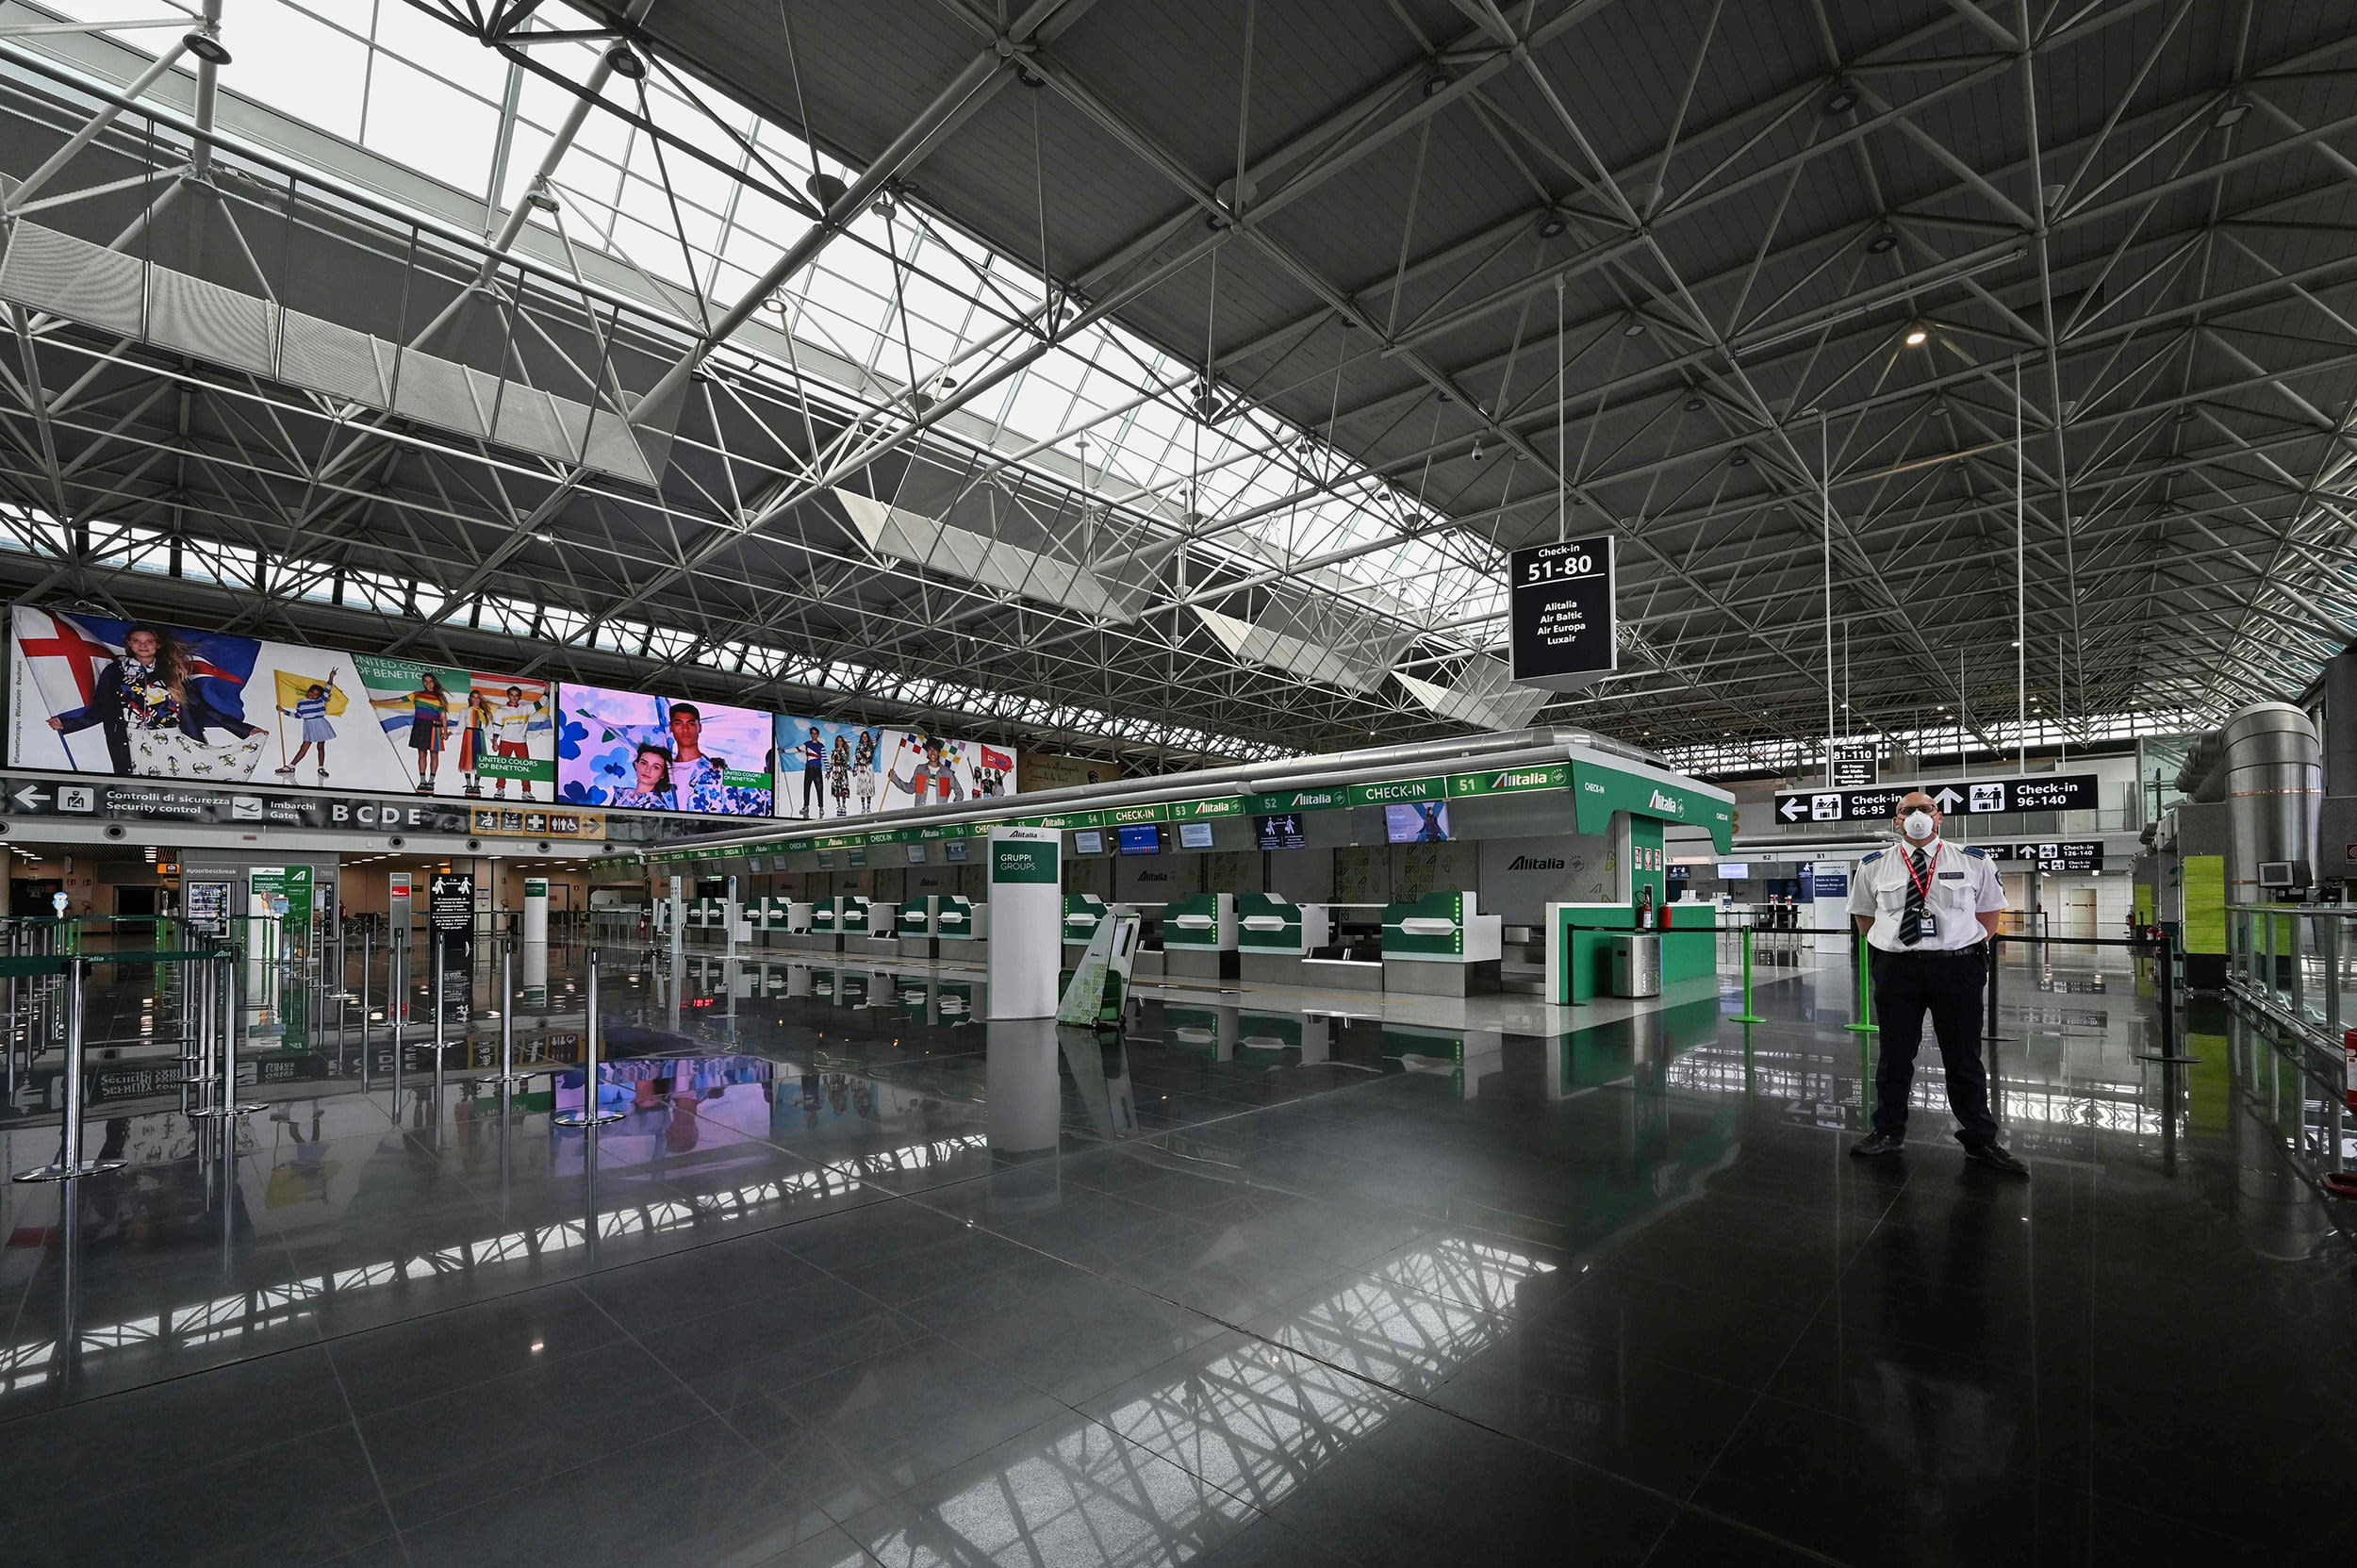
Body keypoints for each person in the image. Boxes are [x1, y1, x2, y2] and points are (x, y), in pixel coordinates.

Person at [1847, 791, 2029, 1176]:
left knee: (1964, 1057)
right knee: (1894, 1056)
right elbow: (1865, 917)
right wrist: (1891, 949)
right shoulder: (1873, 865)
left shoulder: (1972, 860)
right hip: (1897, 969)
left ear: (1939, 816)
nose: (1916, 816)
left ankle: (1980, 1138)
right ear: (1897, 821)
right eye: (1906, 811)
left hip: (1956, 968)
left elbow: (1990, 916)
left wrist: (1960, 948)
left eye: (1924, 809)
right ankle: (1888, 1131)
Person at [49, 623, 260, 776]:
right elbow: (102, 709)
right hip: (129, 738)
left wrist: (245, 730)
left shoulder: (172, 673)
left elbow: (203, 708)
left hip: (172, 737)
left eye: (149, 642)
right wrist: (67, 723)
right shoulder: (115, 672)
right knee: (136, 789)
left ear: (157, 645)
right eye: (137, 642)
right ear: (129, 644)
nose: (143, 646)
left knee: (189, 780)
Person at [664, 702, 761, 815]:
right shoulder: (661, 773)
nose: (685, 729)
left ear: (699, 727)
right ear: (671, 727)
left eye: (691, 724)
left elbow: (733, 813)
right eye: (678, 723)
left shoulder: (718, 770)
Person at [275, 681, 338, 784]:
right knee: (304, 747)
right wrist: (284, 711)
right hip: (309, 725)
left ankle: (321, 768)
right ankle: (291, 766)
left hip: (320, 724)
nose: (312, 695)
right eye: (311, 692)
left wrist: (330, 679)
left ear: (319, 696)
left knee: (321, 746)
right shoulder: (300, 703)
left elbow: (327, 690)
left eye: (316, 694)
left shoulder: (321, 700)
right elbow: (298, 716)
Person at [403, 671, 453, 794]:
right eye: (425, 681)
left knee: (434, 754)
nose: (428, 684)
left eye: (430, 681)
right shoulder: (417, 694)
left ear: (434, 682)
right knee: (422, 753)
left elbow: (443, 716)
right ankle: (422, 780)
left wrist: (445, 732)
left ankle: (431, 781)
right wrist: (378, 703)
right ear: (423, 683)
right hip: (420, 725)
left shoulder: (439, 697)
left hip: (435, 727)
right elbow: (399, 700)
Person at [888, 734, 965, 808]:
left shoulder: (947, 773)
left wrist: (951, 808)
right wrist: (895, 778)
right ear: (927, 752)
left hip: (939, 816)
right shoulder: (920, 769)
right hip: (921, 813)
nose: (932, 753)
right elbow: (911, 789)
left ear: (939, 752)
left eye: (935, 750)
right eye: (930, 749)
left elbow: (960, 793)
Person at [490, 685, 539, 800]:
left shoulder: (525, 708)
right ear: (508, 696)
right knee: (502, 766)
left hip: (520, 742)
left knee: (524, 767)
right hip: (505, 741)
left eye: (516, 695)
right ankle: (500, 789)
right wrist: (495, 742)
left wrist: (547, 691)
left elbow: (540, 704)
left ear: (519, 697)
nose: (514, 697)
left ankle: (526, 791)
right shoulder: (501, 710)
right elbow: (497, 726)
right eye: (512, 695)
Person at [605, 742, 674, 809]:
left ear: (663, 774)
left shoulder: (657, 806)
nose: (648, 770)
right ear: (636, 764)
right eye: (644, 763)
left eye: (656, 767)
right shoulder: (623, 793)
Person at [460, 688, 493, 797]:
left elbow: (488, 729)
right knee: (467, 758)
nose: (475, 699)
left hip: (479, 735)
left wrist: (494, 742)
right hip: (468, 735)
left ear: (480, 700)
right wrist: (449, 733)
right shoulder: (465, 711)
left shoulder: (484, 713)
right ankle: (468, 785)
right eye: (473, 697)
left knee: (479, 760)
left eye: (477, 697)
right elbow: (460, 726)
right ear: (470, 699)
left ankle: (476, 785)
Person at [799, 726, 825, 817]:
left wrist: (829, 771)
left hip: (817, 769)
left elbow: (825, 759)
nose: (814, 735)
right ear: (811, 735)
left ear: (818, 735)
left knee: (819, 788)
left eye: (815, 733)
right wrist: (784, 751)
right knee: (807, 787)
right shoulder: (807, 744)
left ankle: (821, 807)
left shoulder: (821, 746)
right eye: (812, 733)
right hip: (809, 769)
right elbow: (797, 749)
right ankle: (806, 806)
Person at [851, 729, 878, 815]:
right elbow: (856, 759)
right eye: (863, 737)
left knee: (869, 787)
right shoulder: (859, 747)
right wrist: (855, 769)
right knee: (862, 787)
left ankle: (869, 807)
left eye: (866, 737)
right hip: (861, 767)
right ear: (861, 738)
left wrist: (879, 733)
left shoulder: (871, 746)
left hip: (869, 767)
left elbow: (876, 740)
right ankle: (863, 807)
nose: (865, 738)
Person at [829, 734, 852, 817]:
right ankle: (838, 805)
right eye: (838, 741)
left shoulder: (845, 752)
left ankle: (844, 805)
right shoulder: (833, 752)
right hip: (835, 772)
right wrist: (828, 772)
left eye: (841, 740)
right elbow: (831, 763)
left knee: (844, 790)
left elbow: (847, 764)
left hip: (843, 772)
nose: (839, 742)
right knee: (837, 790)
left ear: (842, 742)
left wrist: (852, 770)